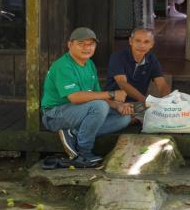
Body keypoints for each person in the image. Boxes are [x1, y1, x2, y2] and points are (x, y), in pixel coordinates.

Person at [41, 27, 133, 167]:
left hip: (78, 112)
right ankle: (84, 152)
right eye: (81, 44)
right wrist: (112, 94)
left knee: (123, 118)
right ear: (70, 44)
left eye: (91, 44)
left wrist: (118, 105)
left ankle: (74, 133)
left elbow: (96, 95)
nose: (87, 48)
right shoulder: (63, 66)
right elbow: (75, 98)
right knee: (99, 106)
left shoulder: (89, 64)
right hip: (54, 115)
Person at [105, 27, 170, 120]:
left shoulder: (152, 59)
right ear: (131, 41)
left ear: (152, 44)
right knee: (148, 116)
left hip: (137, 104)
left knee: (159, 114)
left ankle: (134, 119)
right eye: (138, 41)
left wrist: (167, 101)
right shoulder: (118, 56)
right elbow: (122, 83)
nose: (142, 45)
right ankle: (132, 119)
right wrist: (144, 100)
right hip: (115, 102)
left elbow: (162, 84)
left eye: (146, 42)